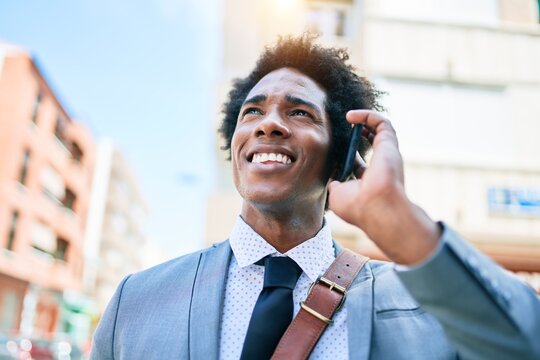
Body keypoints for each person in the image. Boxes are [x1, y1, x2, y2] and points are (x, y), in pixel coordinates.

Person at [90, 35, 540, 359]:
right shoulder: (137, 300)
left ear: (340, 159)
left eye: (299, 111)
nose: (268, 124)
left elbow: (526, 343)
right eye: (253, 111)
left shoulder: (423, 304)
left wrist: (401, 223)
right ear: (235, 145)